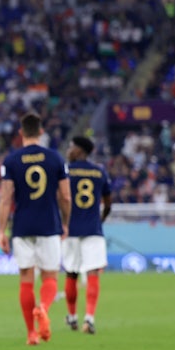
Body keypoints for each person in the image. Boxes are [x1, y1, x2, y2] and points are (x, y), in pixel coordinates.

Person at [0, 112, 71, 346]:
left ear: (21, 133)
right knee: (50, 276)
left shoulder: (11, 160)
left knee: (26, 279)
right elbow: (66, 196)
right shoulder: (55, 158)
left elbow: (5, 198)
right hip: (49, 224)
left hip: (22, 226)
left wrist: (1, 230)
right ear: (41, 132)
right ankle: (43, 307)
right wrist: (66, 222)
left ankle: (31, 333)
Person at [63, 136, 111, 335]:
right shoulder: (99, 171)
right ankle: (89, 318)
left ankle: (72, 316)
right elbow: (108, 203)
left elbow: (62, 198)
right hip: (93, 229)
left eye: (72, 147)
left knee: (71, 273)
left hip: (71, 229)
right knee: (92, 273)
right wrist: (100, 220)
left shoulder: (66, 171)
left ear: (80, 151)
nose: (69, 150)